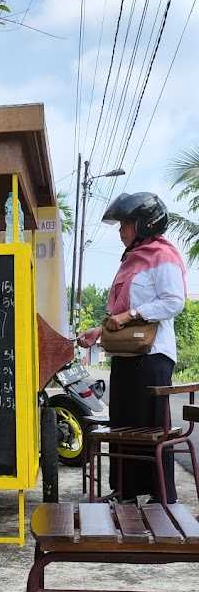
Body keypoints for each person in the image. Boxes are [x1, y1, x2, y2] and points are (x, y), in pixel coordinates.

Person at [78, 192, 186, 504]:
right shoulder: (130, 260)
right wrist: (99, 332)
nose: (121, 230)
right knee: (122, 423)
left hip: (153, 357)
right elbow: (121, 317)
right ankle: (125, 491)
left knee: (152, 424)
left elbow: (173, 301)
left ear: (144, 224)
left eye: (126, 224)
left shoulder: (162, 256)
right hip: (126, 355)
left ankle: (160, 495)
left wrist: (131, 314)